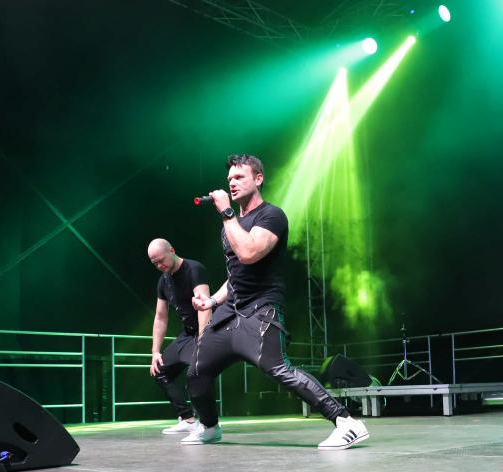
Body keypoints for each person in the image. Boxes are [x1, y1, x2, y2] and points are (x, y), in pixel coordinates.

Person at [183, 154, 369, 450]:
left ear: (258, 179)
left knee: (279, 369)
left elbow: (249, 253)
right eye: (229, 179)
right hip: (231, 312)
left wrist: (227, 213)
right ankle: (209, 426)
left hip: (260, 309)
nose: (232, 183)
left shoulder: (271, 216)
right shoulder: (231, 225)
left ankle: (347, 422)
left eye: (239, 177)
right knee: (196, 370)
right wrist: (212, 301)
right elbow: (235, 274)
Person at [147, 238, 211, 435]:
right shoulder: (163, 280)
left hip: (207, 330)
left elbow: (204, 306)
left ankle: (209, 424)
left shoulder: (193, 269)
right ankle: (188, 419)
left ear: (172, 251)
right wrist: (155, 352)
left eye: (161, 260)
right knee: (159, 371)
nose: (159, 266)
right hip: (188, 332)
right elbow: (160, 317)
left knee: (197, 373)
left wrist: (203, 341)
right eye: (155, 263)